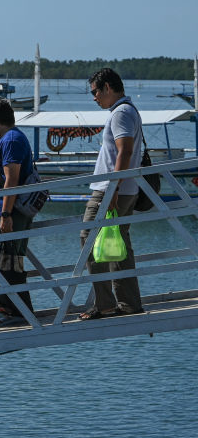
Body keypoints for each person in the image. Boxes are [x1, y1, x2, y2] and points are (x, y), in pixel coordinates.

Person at [79, 68, 144, 319]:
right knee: (120, 246)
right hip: (126, 189)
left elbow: (124, 151)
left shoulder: (120, 113)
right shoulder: (128, 110)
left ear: (107, 87)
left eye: (95, 92)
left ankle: (105, 304)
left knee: (90, 240)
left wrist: (113, 189)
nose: (94, 97)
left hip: (112, 190)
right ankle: (128, 303)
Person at [0, 98, 36, 323]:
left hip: (9, 214)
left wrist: (5, 214)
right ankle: (6, 309)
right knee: (2, 259)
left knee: (10, 259)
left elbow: (11, 179)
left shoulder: (11, 139)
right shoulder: (9, 139)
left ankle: (19, 311)